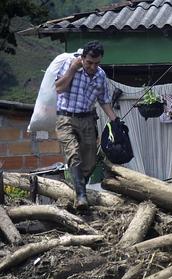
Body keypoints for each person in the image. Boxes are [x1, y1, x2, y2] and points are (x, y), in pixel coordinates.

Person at [55, 40, 120, 209]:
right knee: (74, 154)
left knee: (91, 160)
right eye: (89, 63)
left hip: (88, 120)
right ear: (82, 58)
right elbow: (58, 88)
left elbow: (104, 101)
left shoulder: (101, 75)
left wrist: (115, 120)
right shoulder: (70, 66)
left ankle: (77, 190)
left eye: (96, 63)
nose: (92, 67)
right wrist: (72, 69)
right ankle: (81, 195)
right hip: (66, 118)